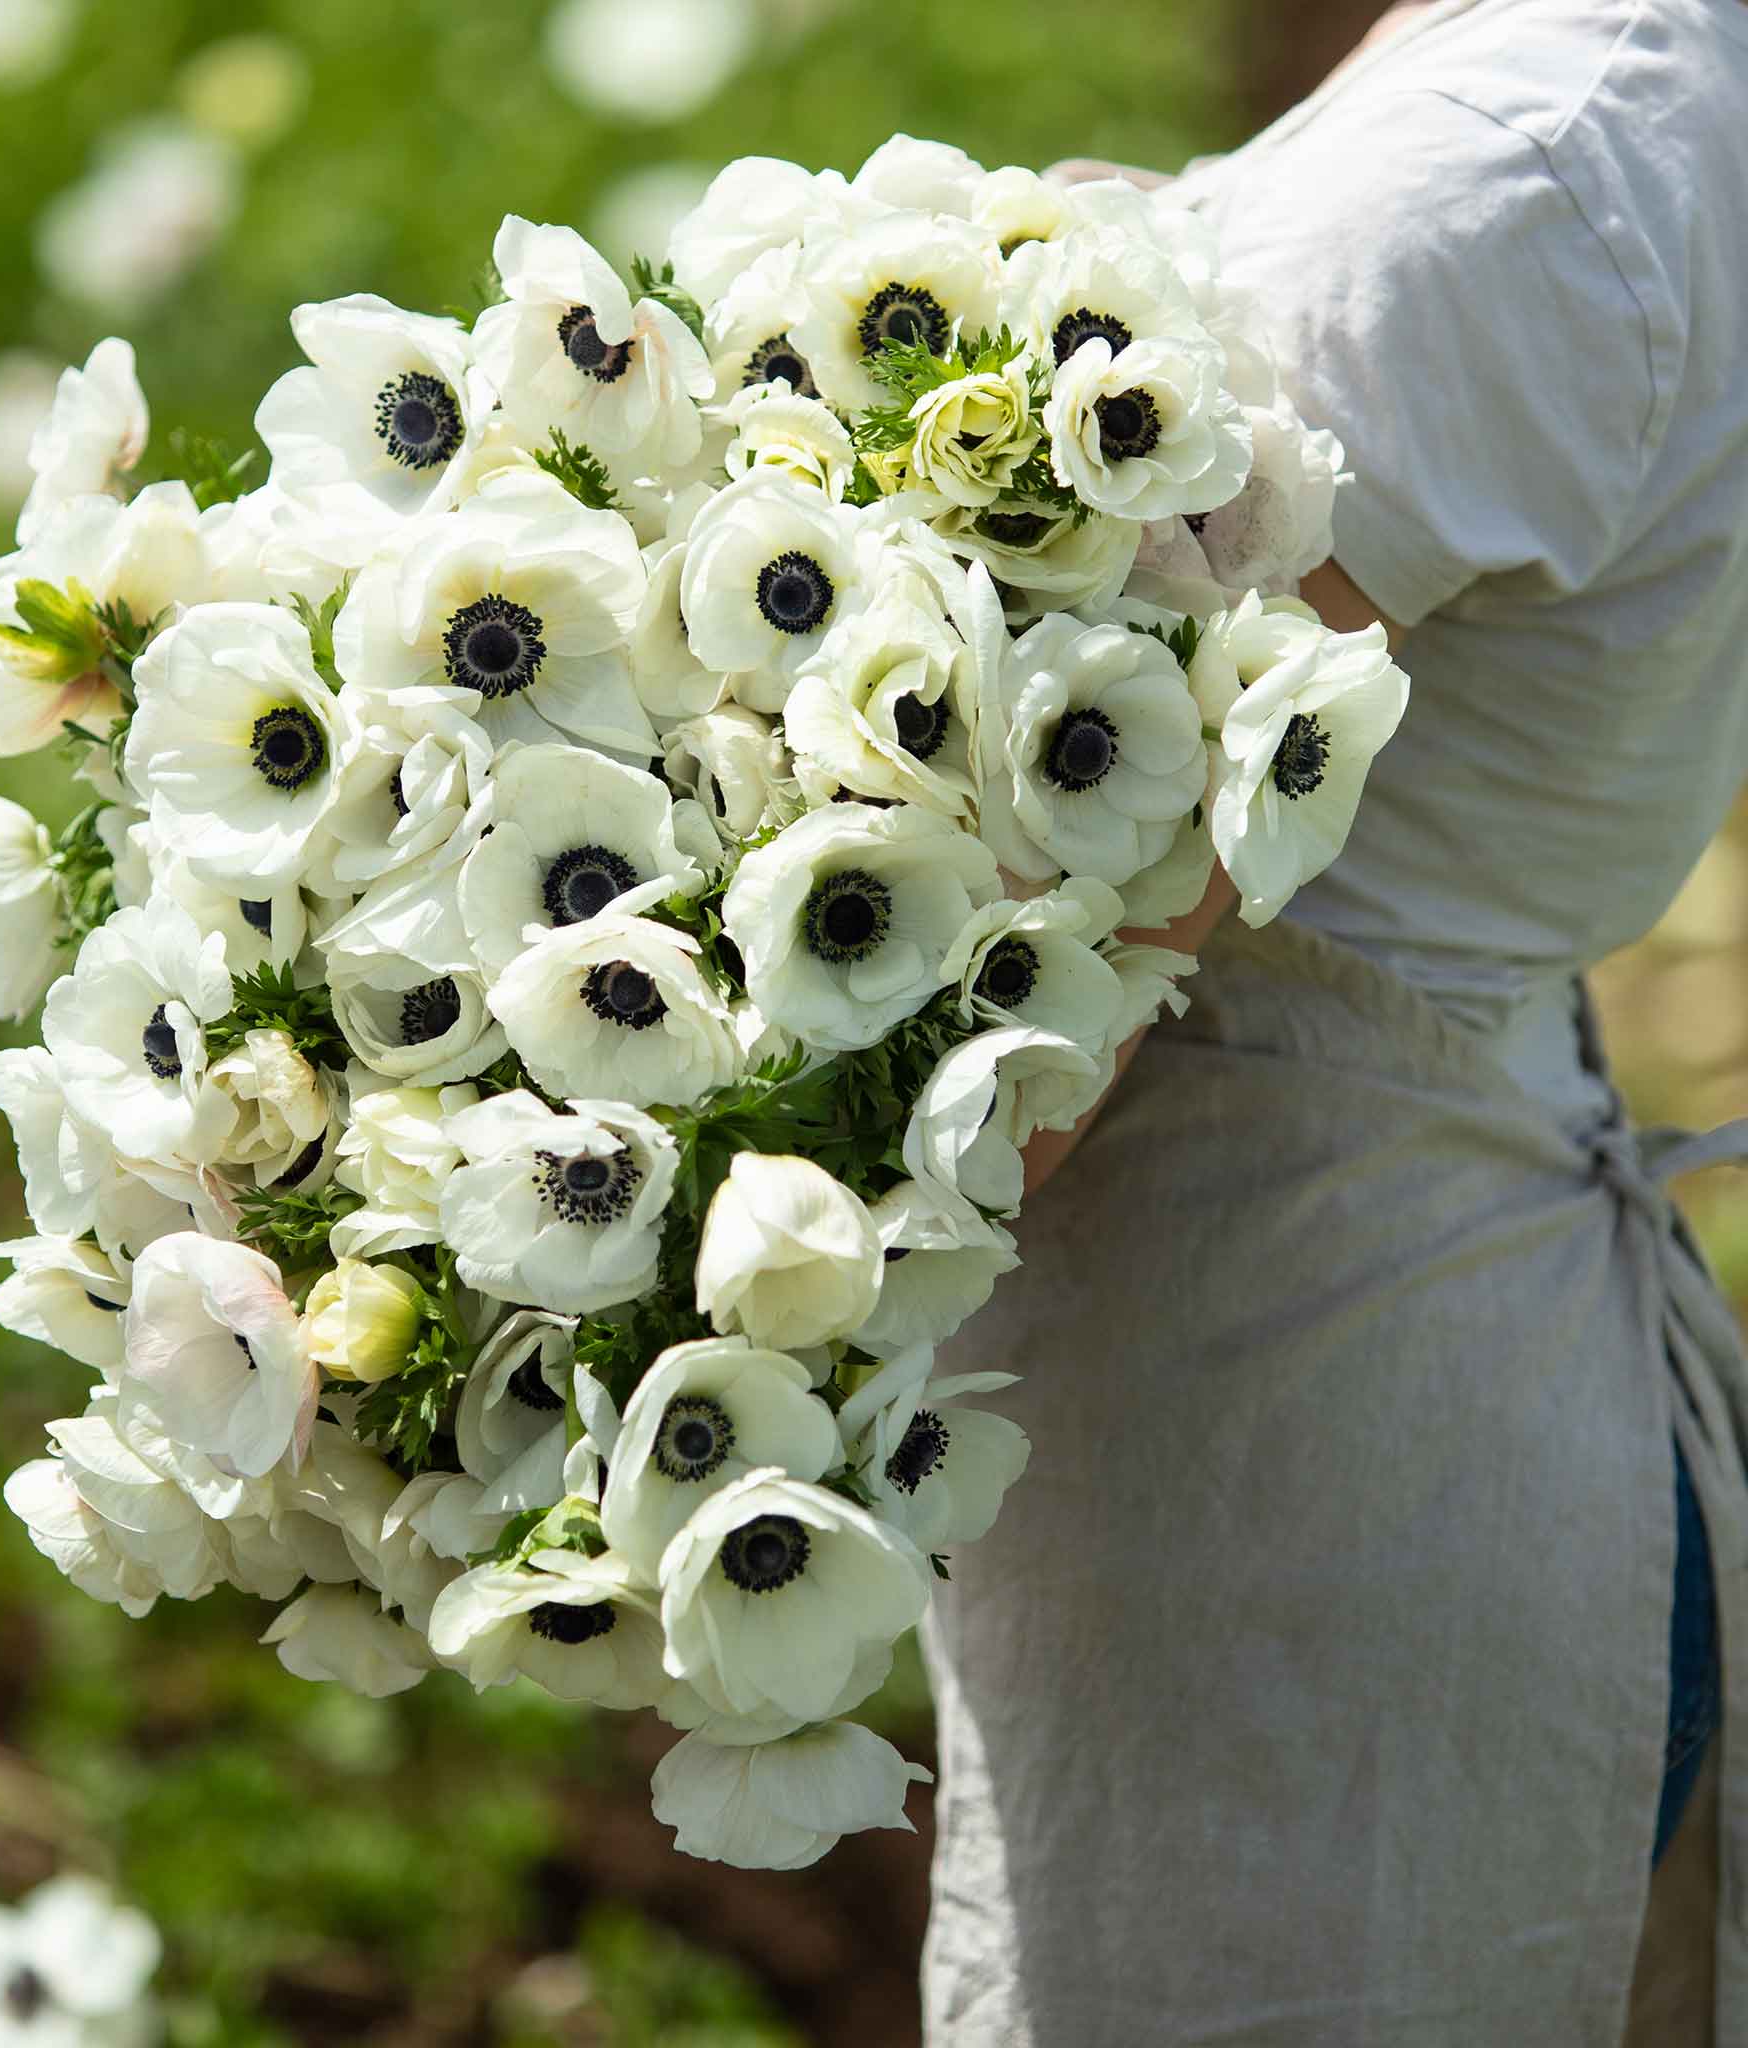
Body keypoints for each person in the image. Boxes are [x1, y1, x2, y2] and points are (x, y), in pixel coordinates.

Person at [922, 2, 1748, 2042]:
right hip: (1372, 1397)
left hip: (1299, 1483)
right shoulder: (1598, 108)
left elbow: (1051, 975)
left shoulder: (1519, 177)